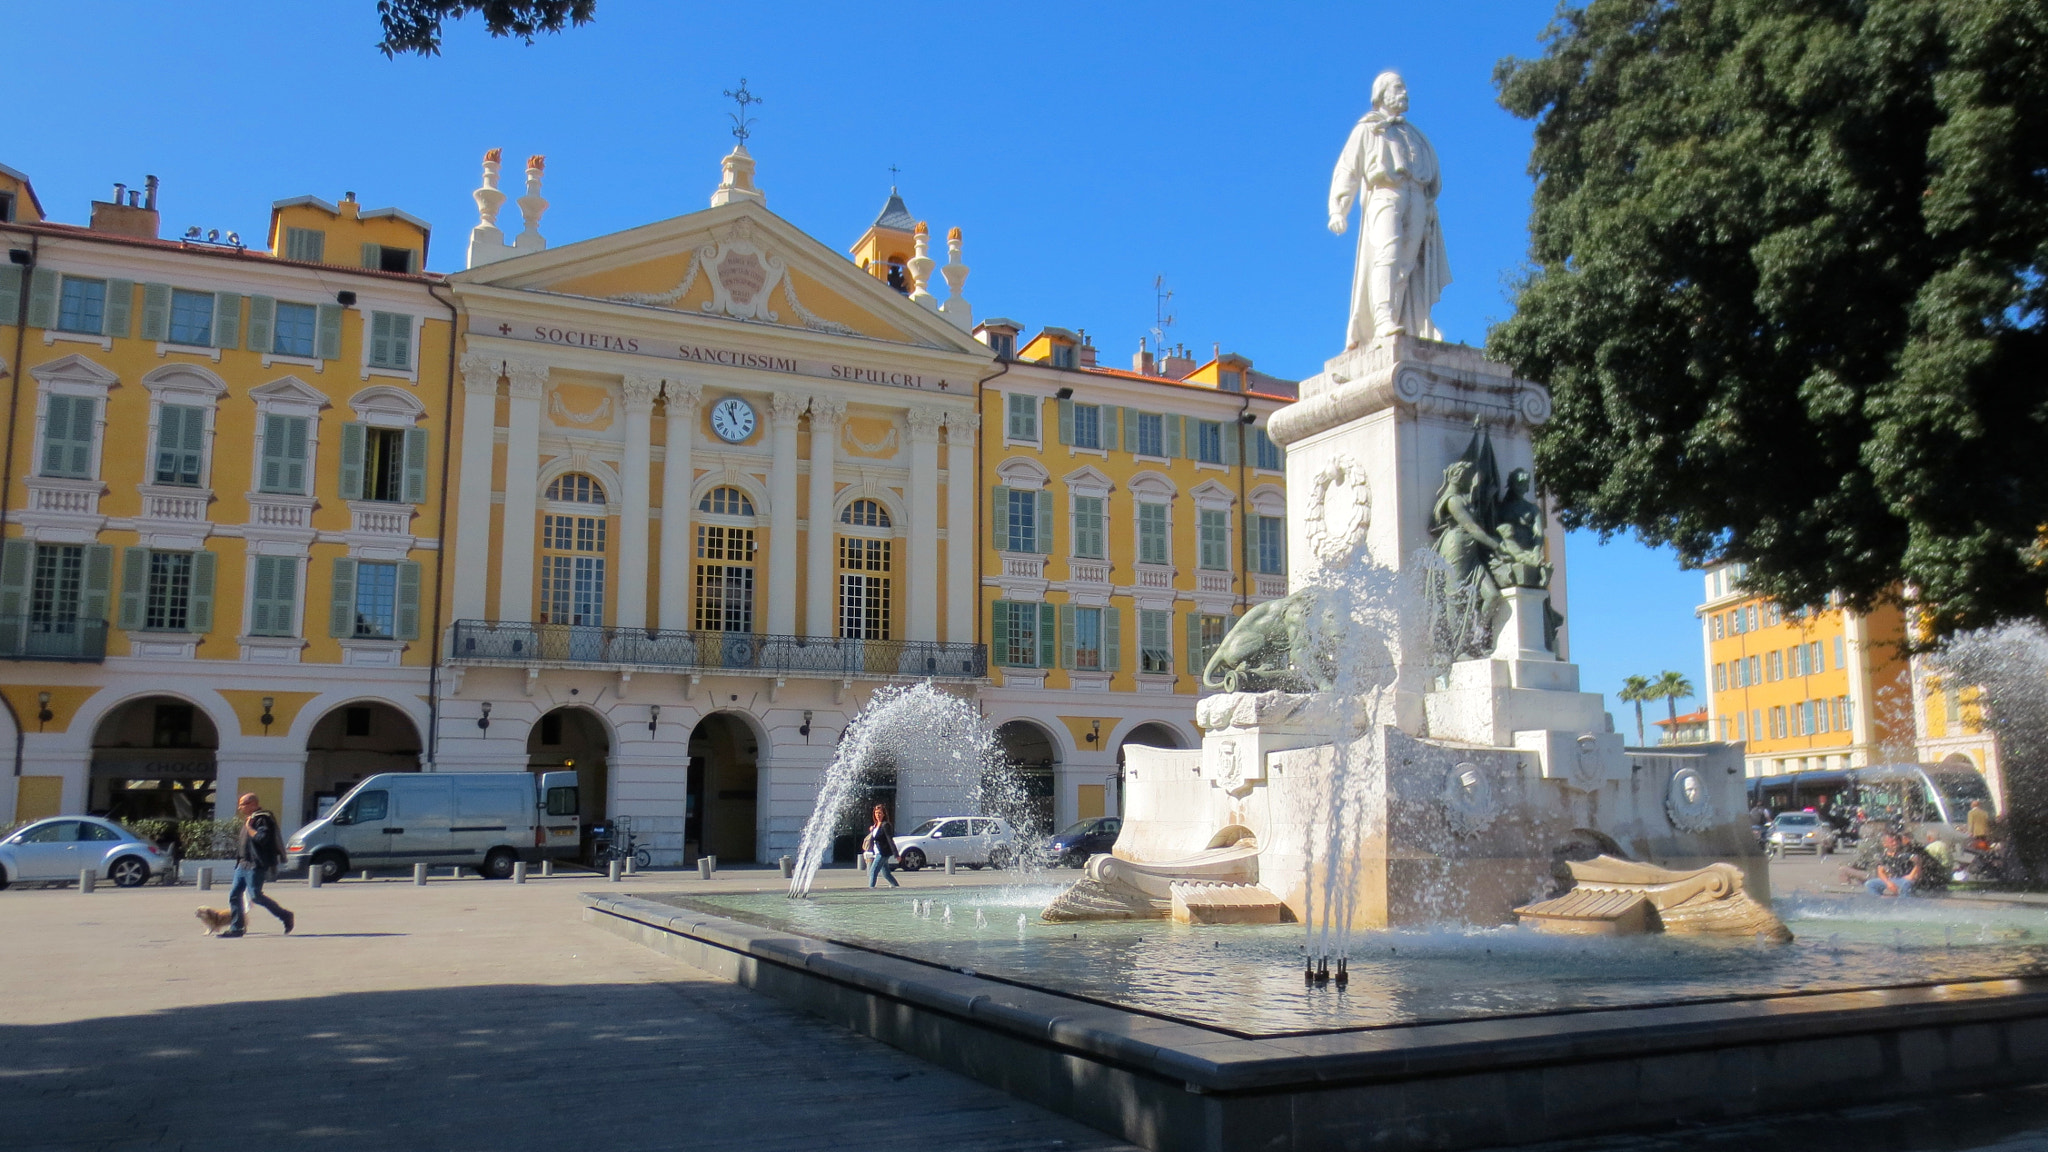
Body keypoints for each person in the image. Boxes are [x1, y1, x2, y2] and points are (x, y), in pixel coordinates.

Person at [221, 792, 294, 938]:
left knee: (255, 896)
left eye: (242, 804)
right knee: (234, 895)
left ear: (253, 804)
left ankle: (285, 915)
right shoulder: (251, 818)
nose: (239, 808)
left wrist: (249, 828)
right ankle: (236, 928)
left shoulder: (263, 819)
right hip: (242, 864)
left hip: (255, 864)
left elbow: (262, 838)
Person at [1865, 831, 1925, 897]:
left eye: (1897, 841)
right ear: (1885, 844)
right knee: (1870, 884)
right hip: (1892, 879)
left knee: (1906, 884)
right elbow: (1880, 872)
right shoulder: (1883, 856)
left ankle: (1905, 901)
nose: (1895, 843)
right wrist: (1888, 883)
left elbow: (1918, 863)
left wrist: (1911, 875)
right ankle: (1878, 900)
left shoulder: (1906, 854)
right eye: (1892, 842)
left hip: (1904, 880)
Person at [863, 805, 899, 889]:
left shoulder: (885, 825)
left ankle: (871, 889)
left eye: (879, 813)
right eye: (876, 813)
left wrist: (896, 854)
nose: (877, 815)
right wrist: (872, 830)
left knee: (873, 871)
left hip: (883, 853)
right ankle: (897, 887)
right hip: (878, 852)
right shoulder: (876, 825)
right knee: (886, 873)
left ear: (884, 814)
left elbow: (890, 840)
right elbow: (876, 837)